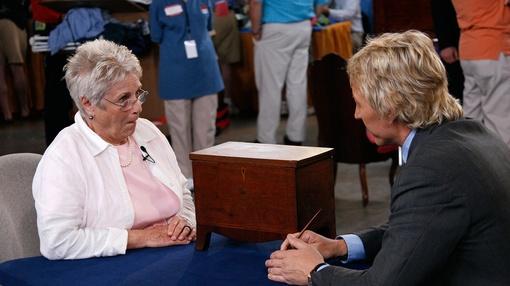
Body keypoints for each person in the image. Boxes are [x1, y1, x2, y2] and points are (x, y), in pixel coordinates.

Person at [265, 30, 510, 285]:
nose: (356, 115)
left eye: (359, 103)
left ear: (390, 105)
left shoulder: (432, 169)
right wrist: (340, 247)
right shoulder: (472, 133)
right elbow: (417, 228)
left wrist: (314, 271)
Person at [33, 40, 196, 260]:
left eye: (138, 94)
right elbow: (57, 242)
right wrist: (142, 238)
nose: (138, 107)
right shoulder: (64, 156)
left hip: (175, 249)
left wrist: (185, 221)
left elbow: (184, 192)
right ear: (88, 104)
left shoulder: (148, 131)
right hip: (114, 265)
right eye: (124, 99)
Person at [150, 0, 224, 184]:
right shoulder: (158, 4)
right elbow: (155, 35)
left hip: (205, 69)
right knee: (179, 129)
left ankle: (205, 173)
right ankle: (185, 177)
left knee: (205, 129)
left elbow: (208, 26)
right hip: (174, 72)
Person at [250, 0, 327, 145]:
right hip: (303, 25)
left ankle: (266, 140)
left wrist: (255, 30)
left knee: (270, 87)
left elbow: (255, 2)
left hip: (275, 27)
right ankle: (296, 136)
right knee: (297, 85)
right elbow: (321, 3)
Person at [451, 0, 510, 147]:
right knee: (499, 117)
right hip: (492, 48)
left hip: (468, 49)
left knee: (471, 116)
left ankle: (470, 161)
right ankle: (500, 167)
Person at [0, 0, 30, 122]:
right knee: (16, 67)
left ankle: (7, 114)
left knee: (0, 73)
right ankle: (25, 110)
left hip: (8, 18)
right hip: (11, 21)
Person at [431, 0, 464, 103]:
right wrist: (446, 43)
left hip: (478, 40)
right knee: (458, 88)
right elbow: (440, 9)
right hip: (455, 40)